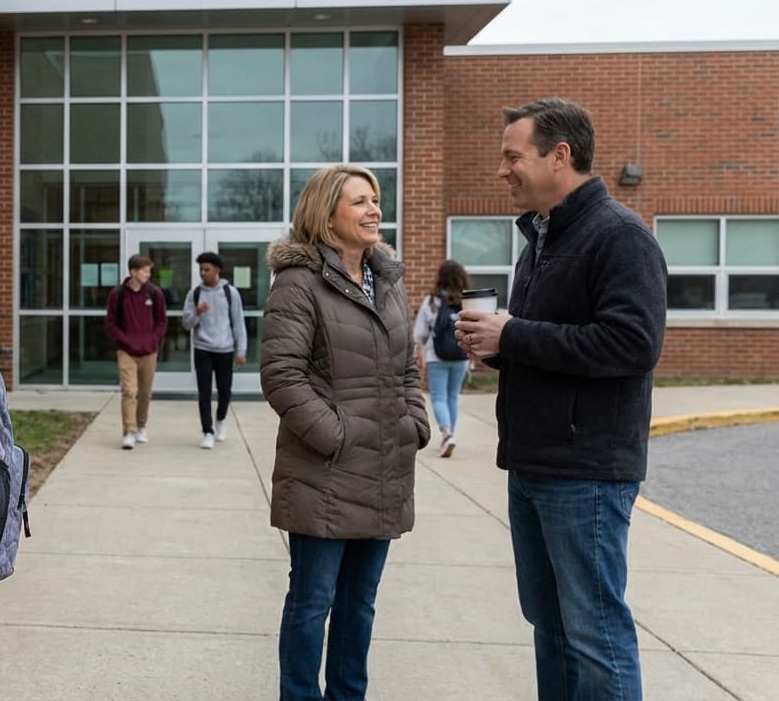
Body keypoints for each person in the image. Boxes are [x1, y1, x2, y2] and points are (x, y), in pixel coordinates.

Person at [456, 97, 666, 701]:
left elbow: (632, 344)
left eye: (512, 157)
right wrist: (496, 348)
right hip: (534, 464)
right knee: (550, 628)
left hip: (586, 473)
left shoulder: (620, 237)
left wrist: (514, 333)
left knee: (594, 634)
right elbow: (555, 344)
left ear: (560, 155)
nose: (502, 171)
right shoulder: (540, 242)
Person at [260, 164, 430, 700]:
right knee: (313, 601)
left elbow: (406, 367)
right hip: (324, 475)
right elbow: (281, 376)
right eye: (359, 201)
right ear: (325, 213)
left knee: (360, 602)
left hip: (383, 470)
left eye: (375, 199)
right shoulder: (298, 283)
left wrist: (414, 423)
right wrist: (336, 435)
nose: (374, 209)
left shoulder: (389, 282)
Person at [181, 251, 247, 449]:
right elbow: (186, 324)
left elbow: (238, 323)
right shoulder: (195, 294)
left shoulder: (230, 293)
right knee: (204, 392)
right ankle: (207, 431)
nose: (203, 273)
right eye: (201, 269)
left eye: (207, 269)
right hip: (202, 349)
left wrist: (241, 351)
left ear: (217, 270)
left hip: (225, 349)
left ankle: (220, 418)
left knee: (225, 391)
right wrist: (197, 313)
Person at [104, 253, 167, 449]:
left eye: (149, 270)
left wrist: (153, 340)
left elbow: (162, 322)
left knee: (145, 393)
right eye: (145, 270)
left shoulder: (155, 294)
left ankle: (141, 426)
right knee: (129, 391)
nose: (148, 274)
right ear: (133, 272)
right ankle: (128, 432)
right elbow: (111, 323)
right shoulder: (118, 294)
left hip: (149, 352)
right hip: (127, 352)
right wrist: (125, 341)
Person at [412, 259, 473, 457]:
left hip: (436, 356)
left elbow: (419, 333)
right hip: (461, 355)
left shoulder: (432, 301)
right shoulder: (468, 302)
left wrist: (418, 350)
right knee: (453, 396)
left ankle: (446, 435)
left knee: (438, 397)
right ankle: (450, 435)